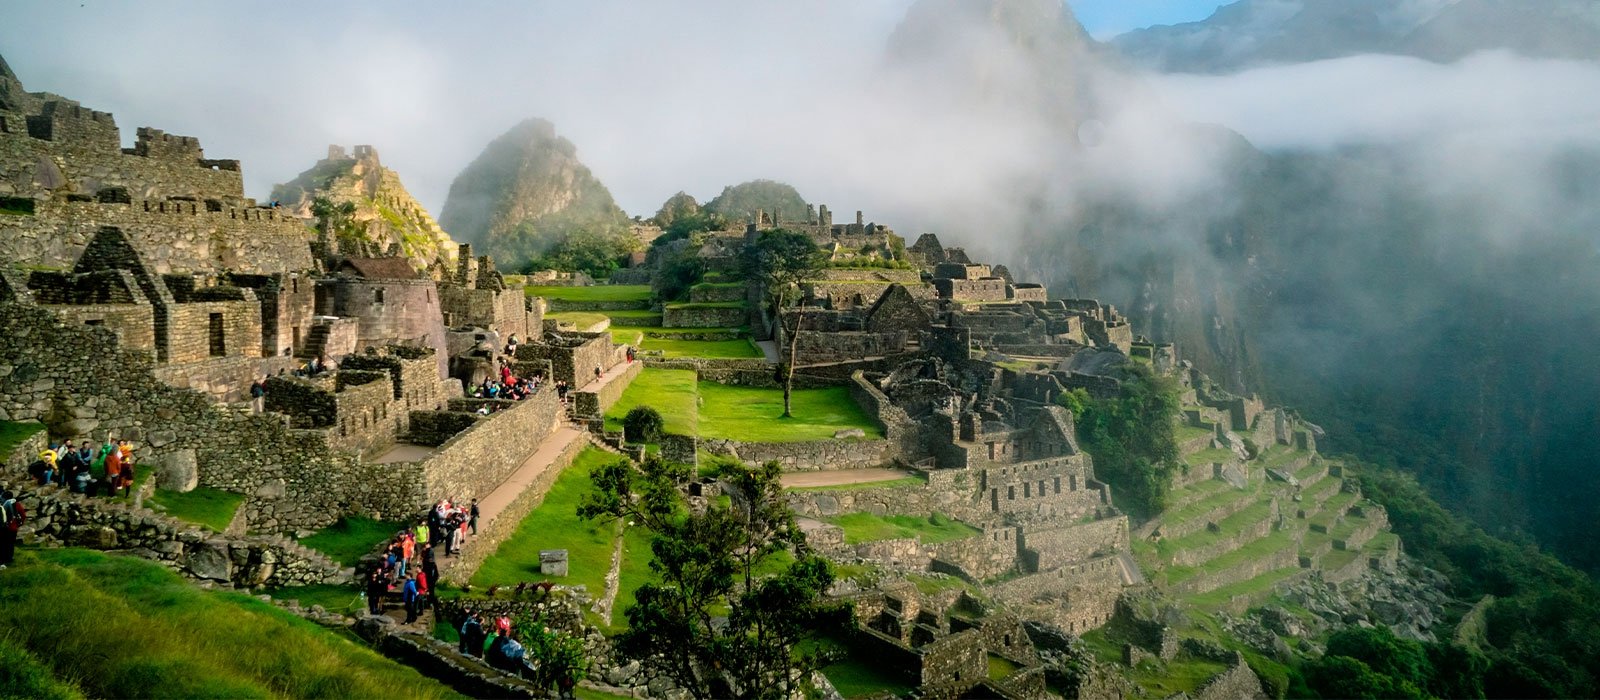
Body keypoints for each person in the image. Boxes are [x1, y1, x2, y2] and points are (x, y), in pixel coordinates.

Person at [0, 489, 22, 569]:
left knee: (4, 544)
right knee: (11, 544)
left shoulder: (4, 505)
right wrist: (19, 523)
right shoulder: (17, 504)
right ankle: (9, 558)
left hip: (6, 528)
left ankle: (4, 560)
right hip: (13, 528)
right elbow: (22, 514)